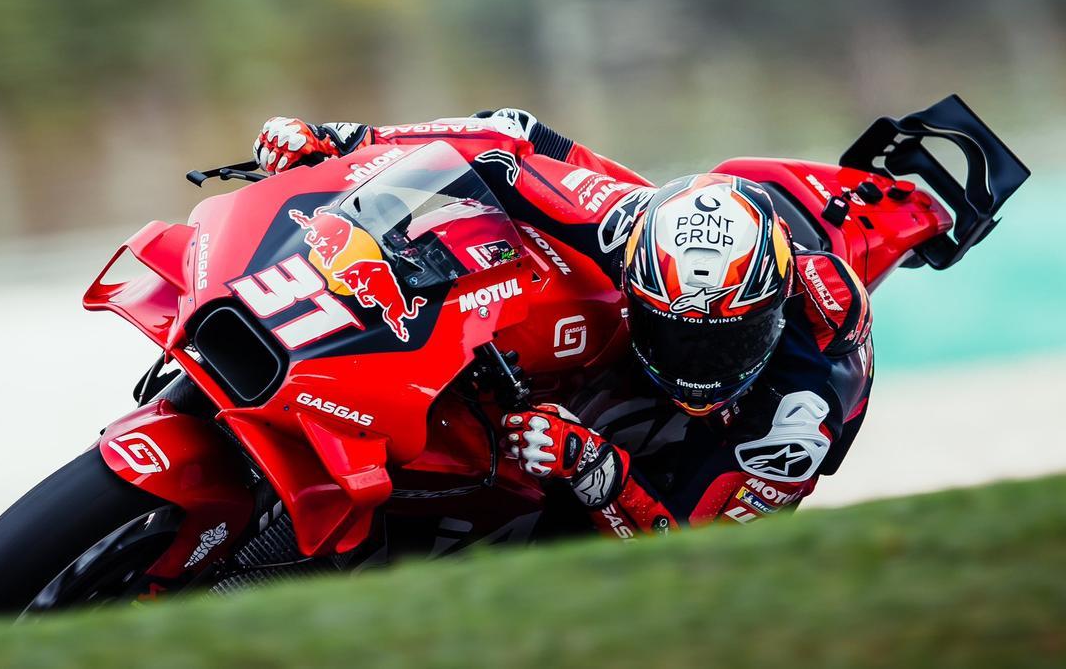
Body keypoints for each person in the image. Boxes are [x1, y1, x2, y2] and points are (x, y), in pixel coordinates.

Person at [251, 109, 873, 537]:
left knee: (576, 537)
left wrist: (593, 465)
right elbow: (503, 144)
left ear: (772, 305)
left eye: (724, 340)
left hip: (744, 431)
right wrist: (350, 140)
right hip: (647, 256)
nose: (694, 365)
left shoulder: (799, 416)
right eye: (671, 330)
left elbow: (690, 547)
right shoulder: (628, 226)